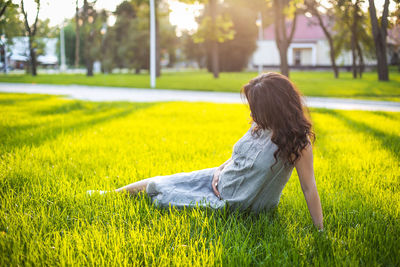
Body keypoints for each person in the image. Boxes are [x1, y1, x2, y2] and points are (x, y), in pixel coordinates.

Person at [88, 72, 324, 230]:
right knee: (162, 180)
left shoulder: (296, 142)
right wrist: (219, 172)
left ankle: (118, 195)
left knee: (159, 192)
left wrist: (320, 230)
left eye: (256, 108)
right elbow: (239, 158)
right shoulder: (259, 125)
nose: (251, 114)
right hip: (218, 179)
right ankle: (109, 195)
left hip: (231, 202)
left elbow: (308, 186)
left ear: (274, 108)